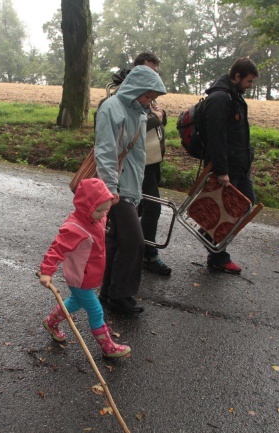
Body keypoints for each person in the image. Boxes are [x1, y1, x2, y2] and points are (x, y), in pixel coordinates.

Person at [95, 65, 166, 314]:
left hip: (129, 184)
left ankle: (108, 292)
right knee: (135, 241)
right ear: (136, 88)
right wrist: (110, 189)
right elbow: (104, 151)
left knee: (116, 240)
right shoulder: (112, 108)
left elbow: (138, 153)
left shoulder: (139, 111)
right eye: (147, 95)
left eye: (152, 98)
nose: (149, 101)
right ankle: (121, 296)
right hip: (116, 187)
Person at [39, 178, 130, 358]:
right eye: (100, 210)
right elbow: (57, 249)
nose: (104, 214)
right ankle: (108, 347)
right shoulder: (74, 228)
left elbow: (103, 209)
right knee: (96, 310)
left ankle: (51, 322)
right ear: (87, 207)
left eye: (106, 209)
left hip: (89, 276)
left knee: (76, 302)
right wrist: (47, 271)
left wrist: (111, 202)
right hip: (79, 279)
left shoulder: (97, 217)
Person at [202, 57, 259, 274]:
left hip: (240, 166)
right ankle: (218, 256)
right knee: (228, 211)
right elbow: (217, 137)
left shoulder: (233, 96)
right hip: (229, 167)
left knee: (246, 203)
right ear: (237, 76)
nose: (250, 86)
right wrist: (222, 171)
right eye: (249, 81)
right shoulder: (219, 98)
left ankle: (208, 232)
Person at [133, 53, 172, 276]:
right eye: (150, 71)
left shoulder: (149, 94)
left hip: (151, 162)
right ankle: (148, 254)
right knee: (150, 207)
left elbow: (156, 117)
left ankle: (132, 248)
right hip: (138, 163)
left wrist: (160, 114)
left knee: (139, 207)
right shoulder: (127, 94)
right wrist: (157, 117)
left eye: (156, 72)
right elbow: (132, 125)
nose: (154, 77)